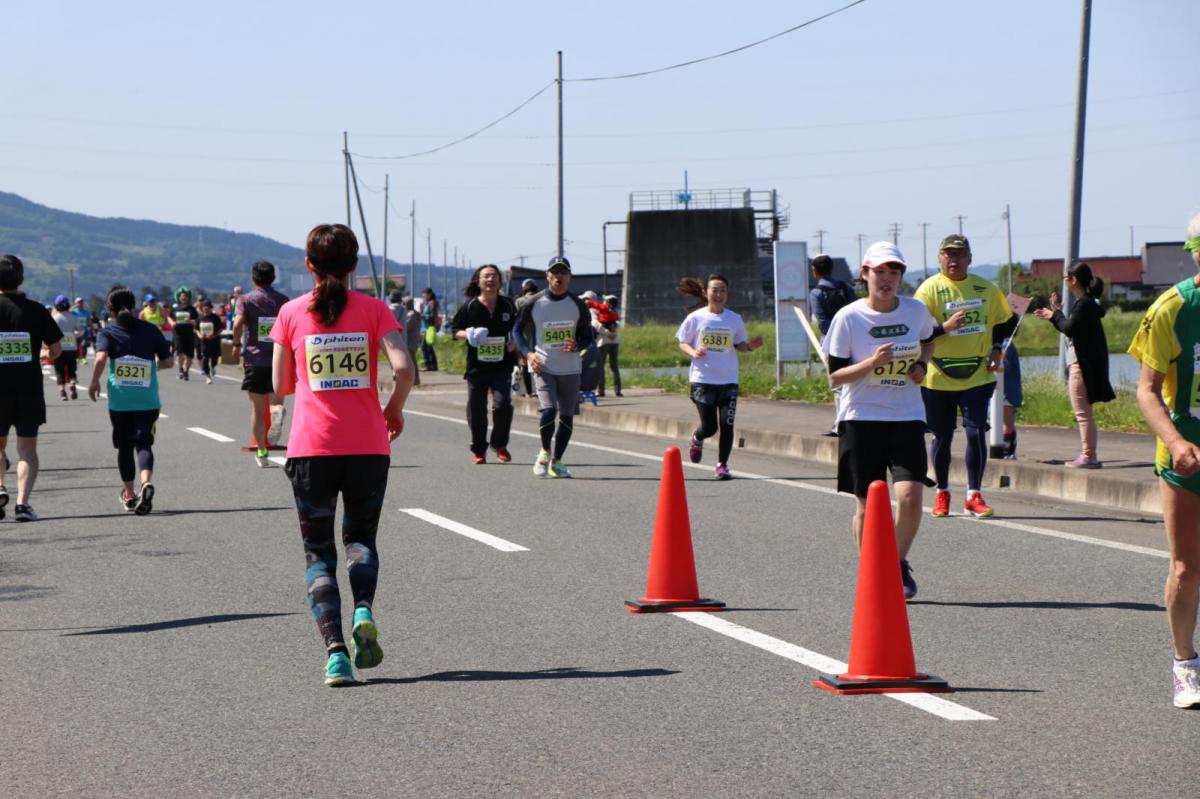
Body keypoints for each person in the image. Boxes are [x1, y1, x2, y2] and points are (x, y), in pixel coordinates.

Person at [271, 223, 414, 686]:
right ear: (354, 266)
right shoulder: (375, 310)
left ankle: (335, 653)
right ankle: (364, 609)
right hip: (368, 447)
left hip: (311, 450)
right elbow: (404, 368)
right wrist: (393, 408)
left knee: (318, 553)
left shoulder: (290, 313)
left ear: (308, 265)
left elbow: (280, 385)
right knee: (361, 539)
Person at [824, 242, 935, 599]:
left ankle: (895, 564)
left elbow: (929, 341)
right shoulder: (849, 317)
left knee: (911, 497)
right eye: (880, 272)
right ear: (865, 274)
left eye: (894, 272)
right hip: (861, 417)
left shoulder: (915, 311)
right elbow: (835, 376)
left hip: (906, 416)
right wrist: (872, 363)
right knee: (868, 504)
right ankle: (872, 572)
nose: (887, 279)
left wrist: (921, 365)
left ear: (901, 276)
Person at [1129, 211, 1200, 709]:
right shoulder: (1172, 308)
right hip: (1186, 453)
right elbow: (1146, 390)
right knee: (1187, 569)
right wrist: (1175, 442)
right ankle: (1185, 664)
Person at [914, 234, 1017, 518]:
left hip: (977, 374)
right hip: (938, 375)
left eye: (959, 254)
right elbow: (916, 330)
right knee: (942, 436)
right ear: (940, 258)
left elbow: (1005, 321)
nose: (954, 260)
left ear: (969, 258)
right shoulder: (929, 289)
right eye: (948, 254)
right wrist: (944, 328)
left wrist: (997, 348)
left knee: (975, 432)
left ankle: (974, 495)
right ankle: (942, 492)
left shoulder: (986, 289)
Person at [88, 285, 173, 515]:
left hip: (120, 400)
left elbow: (100, 358)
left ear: (110, 309)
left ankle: (130, 493)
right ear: (134, 306)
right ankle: (146, 482)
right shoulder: (150, 330)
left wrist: (94, 381)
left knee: (124, 447)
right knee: (144, 443)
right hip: (147, 399)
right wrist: (150, 367)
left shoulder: (107, 332)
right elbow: (169, 362)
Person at [675, 273, 764, 480]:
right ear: (706, 292)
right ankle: (698, 438)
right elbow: (682, 342)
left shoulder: (734, 319)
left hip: (728, 380)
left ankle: (722, 465)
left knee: (727, 424)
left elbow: (739, 345)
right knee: (710, 427)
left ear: (727, 293)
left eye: (723, 290)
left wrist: (750, 347)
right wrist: (693, 352)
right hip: (703, 380)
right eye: (714, 290)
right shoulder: (696, 318)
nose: (719, 294)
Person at [514, 256, 594, 478]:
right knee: (549, 411)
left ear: (569, 277)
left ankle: (557, 462)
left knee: (566, 417)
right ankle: (544, 452)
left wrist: (577, 345)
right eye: (554, 272)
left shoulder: (578, 304)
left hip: (570, 368)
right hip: (543, 365)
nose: (558, 276)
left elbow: (588, 337)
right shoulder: (534, 302)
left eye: (563, 272)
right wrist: (528, 353)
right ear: (547, 275)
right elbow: (516, 331)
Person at [1033, 261, 1115, 468]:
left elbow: (1069, 328)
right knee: (1084, 413)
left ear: (1074, 280)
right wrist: (1056, 314)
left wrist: (1054, 315)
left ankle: (1089, 456)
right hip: (1082, 364)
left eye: (1066, 278)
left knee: (1083, 413)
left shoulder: (1083, 305)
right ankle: (1089, 455)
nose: (1065, 282)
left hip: (1080, 366)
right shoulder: (1086, 304)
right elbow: (1071, 328)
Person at [0, 255, 63, 522]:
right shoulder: (37, 310)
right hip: (28, 388)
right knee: (26, 450)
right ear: (21, 279)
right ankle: (22, 505)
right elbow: (56, 349)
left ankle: (0, 487)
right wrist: (43, 354)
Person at [452, 265, 518, 464]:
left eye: (494, 276)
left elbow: (518, 328)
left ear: (500, 281)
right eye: (486, 276)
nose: (490, 279)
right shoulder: (470, 307)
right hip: (477, 367)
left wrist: (514, 342)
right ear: (478, 281)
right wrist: (468, 334)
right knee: (477, 408)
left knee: (502, 404)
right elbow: (454, 330)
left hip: (502, 365)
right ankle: (479, 449)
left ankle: (499, 444)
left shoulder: (508, 305)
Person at [231, 260, 289, 466]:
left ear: (253, 278)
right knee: (275, 403)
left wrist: (236, 344)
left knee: (257, 409)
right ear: (273, 278)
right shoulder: (283, 301)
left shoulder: (245, 300)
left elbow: (237, 323)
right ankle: (277, 413)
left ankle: (262, 450)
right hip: (278, 360)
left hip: (254, 360)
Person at [810, 254, 856, 436]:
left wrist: (834, 340)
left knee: (838, 384)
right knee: (854, 381)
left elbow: (823, 323)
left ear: (815, 271)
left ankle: (840, 425)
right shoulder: (845, 287)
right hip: (854, 339)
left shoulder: (816, 293)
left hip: (833, 344)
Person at [50, 295, 80, 400]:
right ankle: (72, 383)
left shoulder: (54, 318)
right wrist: (74, 335)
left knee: (59, 371)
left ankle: (62, 392)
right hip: (72, 348)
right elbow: (81, 331)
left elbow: (50, 334)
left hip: (59, 348)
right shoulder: (74, 317)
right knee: (72, 370)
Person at [514, 278, 540, 396]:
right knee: (539, 363)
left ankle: (529, 392)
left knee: (524, 363)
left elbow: (514, 322)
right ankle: (539, 390)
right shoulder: (541, 299)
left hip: (523, 337)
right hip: (539, 337)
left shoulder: (519, 301)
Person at [170, 287, 199, 381]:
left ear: (188, 297)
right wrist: (172, 323)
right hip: (178, 333)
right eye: (181, 296)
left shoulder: (192, 309)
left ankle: (186, 371)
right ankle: (180, 370)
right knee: (180, 353)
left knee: (189, 356)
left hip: (189, 334)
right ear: (178, 297)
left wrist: (190, 321)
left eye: (185, 296)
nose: (183, 297)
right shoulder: (174, 308)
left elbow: (196, 321)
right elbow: (169, 317)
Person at [195, 297, 223, 384]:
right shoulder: (199, 318)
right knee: (205, 358)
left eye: (208, 307)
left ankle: (213, 367)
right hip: (204, 342)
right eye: (204, 307)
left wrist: (214, 335)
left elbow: (221, 329)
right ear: (202, 308)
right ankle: (208, 377)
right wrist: (200, 335)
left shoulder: (215, 318)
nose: (206, 309)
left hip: (214, 341)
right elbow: (196, 329)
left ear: (211, 308)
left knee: (215, 358)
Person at [402, 297, 422, 386]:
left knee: (411, 361)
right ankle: (415, 380)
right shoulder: (416, 313)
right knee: (412, 360)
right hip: (414, 339)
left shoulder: (411, 315)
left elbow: (406, 327)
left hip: (410, 340)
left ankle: (415, 380)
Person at [419, 287, 440, 371]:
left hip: (429, 327)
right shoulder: (426, 303)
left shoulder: (432, 303)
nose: (423, 297)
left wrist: (422, 316)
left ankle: (427, 365)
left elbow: (431, 316)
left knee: (424, 346)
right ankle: (433, 365)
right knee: (428, 346)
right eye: (423, 296)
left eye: (425, 295)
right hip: (426, 327)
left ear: (430, 295)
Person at [70, 297, 92, 362]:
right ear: (76, 303)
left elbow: (89, 321)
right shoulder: (73, 312)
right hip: (76, 331)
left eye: (81, 302)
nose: (80, 303)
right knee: (76, 344)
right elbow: (68, 312)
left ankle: (84, 358)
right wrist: (74, 306)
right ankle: (77, 357)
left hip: (84, 330)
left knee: (84, 344)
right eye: (79, 302)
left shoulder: (86, 312)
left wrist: (93, 329)